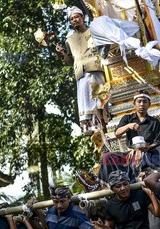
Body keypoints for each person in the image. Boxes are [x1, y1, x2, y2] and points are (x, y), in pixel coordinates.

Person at [99, 91, 160, 183]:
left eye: (145, 102)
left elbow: (157, 141)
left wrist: (147, 147)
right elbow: (117, 133)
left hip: (149, 154)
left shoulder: (154, 122)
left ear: (149, 104)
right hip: (131, 155)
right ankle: (106, 184)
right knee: (107, 157)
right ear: (134, 104)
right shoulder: (127, 118)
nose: (142, 104)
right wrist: (128, 126)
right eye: (139, 101)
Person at [56, 6, 106, 135]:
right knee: (85, 99)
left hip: (95, 69)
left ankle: (102, 123)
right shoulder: (69, 40)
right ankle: (89, 126)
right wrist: (62, 54)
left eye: (77, 17)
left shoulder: (93, 31)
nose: (75, 20)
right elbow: (70, 62)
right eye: (72, 19)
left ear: (82, 18)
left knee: (99, 98)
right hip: (80, 73)